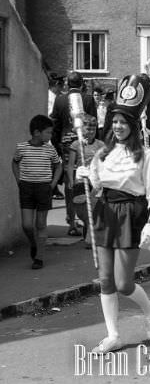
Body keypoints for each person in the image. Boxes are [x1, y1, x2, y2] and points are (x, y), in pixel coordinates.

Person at [74, 74, 150, 353]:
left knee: (124, 284)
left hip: (131, 215)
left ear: (133, 126)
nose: (118, 126)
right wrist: (86, 174)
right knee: (106, 280)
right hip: (105, 212)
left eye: (124, 122)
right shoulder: (102, 154)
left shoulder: (145, 155)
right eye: (115, 121)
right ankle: (113, 335)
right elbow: (99, 188)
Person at [12, 115, 62, 269]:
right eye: (48, 132)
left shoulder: (50, 149)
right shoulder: (22, 148)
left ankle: (39, 257)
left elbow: (58, 166)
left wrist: (53, 184)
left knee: (41, 223)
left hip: (43, 188)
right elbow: (14, 163)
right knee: (27, 225)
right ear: (36, 133)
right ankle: (33, 243)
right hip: (26, 188)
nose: (50, 135)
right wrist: (19, 180)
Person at [51, 71, 97, 220]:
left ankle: (71, 218)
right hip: (85, 143)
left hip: (66, 143)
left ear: (67, 84)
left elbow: (55, 126)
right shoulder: (88, 99)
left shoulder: (60, 100)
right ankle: (87, 216)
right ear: (82, 83)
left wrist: (57, 145)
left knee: (69, 178)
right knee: (88, 176)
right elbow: (93, 123)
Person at [65, 115, 101, 237]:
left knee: (94, 209)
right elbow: (70, 164)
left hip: (95, 181)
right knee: (82, 210)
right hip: (81, 180)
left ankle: (89, 237)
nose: (91, 132)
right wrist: (70, 179)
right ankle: (87, 227)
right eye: (88, 129)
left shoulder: (100, 145)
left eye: (93, 129)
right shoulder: (76, 145)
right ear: (82, 129)